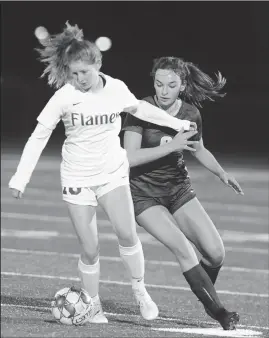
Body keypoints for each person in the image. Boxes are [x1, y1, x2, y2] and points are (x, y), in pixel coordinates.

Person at [8, 24, 198, 325]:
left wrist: (177, 125)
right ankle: (93, 306)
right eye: (73, 73)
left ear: (98, 64)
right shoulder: (65, 96)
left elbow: (142, 111)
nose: (78, 78)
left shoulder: (116, 89)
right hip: (76, 179)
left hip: (112, 173)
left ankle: (140, 291)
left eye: (84, 72)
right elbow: (38, 136)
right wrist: (21, 177)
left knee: (127, 234)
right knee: (91, 248)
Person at [122, 56, 244, 330]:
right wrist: (171, 145)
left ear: (183, 86)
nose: (163, 91)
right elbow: (129, 157)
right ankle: (220, 312)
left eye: (171, 85)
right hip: (143, 194)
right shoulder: (140, 110)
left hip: (178, 188)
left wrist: (221, 173)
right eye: (158, 84)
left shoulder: (190, 113)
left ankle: (200, 287)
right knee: (184, 249)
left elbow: (198, 149)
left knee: (215, 253)